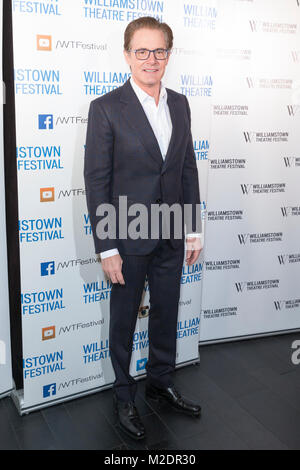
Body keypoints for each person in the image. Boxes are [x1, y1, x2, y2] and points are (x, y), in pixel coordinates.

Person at [84, 16, 203, 441]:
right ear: (127, 55)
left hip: (171, 231)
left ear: (168, 55)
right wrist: (106, 247)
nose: (151, 59)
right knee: (123, 322)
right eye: (142, 51)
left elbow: (186, 167)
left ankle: (161, 380)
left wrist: (194, 227)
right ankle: (123, 396)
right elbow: (96, 182)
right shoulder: (106, 108)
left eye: (159, 51)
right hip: (127, 236)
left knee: (166, 313)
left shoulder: (181, 104)